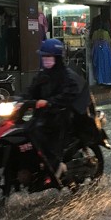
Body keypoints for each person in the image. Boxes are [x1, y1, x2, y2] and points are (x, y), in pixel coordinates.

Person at [26, 38, 89, 181]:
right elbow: (31, 91)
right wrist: (18, 100)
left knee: (38, 131)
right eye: (44, 56)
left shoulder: (67, 76)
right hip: (45, 114)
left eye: (49, 56)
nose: (46, 60)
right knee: (26, 129)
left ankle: (56, 164)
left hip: (61, 116)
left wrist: (49, 102)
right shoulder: (42, 74)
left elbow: (68, 95)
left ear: (57, 58)